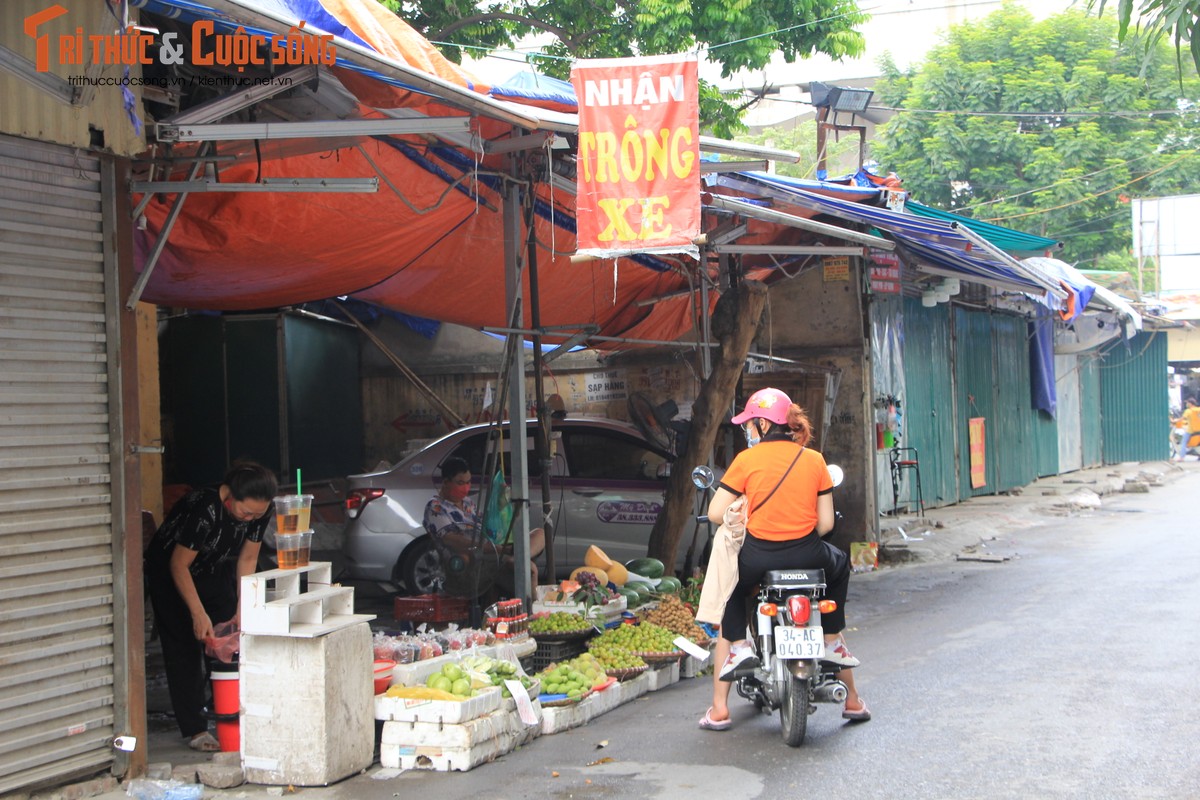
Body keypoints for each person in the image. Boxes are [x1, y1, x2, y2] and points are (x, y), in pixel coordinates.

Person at [698, 388, 869, 731]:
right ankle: (838, 658)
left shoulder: (746, 461)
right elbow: (826, 524)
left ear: (763, 424)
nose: (747, 431)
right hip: (809, 555)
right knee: (839, 566)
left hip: (759, 558)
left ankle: (726, 690)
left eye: (749, 424)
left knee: (731, 586)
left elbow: (716, 513)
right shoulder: (814, 460)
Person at [145, 461, 277, 751]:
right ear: (230, 495)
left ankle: (228, 710)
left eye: (256, 515)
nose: (249, 520)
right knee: (185, 647)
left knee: (231, 634)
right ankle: (195, 730)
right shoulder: (204, 509)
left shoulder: (260, 509)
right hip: (171, 571)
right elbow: (178, 564)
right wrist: (197, 612)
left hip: (212, 567)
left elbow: (246, 559)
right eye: (245, 513)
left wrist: (245, 603)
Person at [423, 457, 545, 600]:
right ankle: (531, 604)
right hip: (470, 561)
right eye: (460, 483)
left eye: (468, 482)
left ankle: (518, 557)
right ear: (445, 482)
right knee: (528, 569)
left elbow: (488, 527)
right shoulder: (436, 507)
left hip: (494, 550)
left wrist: (502, 511)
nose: (466, 487)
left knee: (539, 534)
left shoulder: (468, 504)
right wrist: (497, 548)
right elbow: (451, 540)